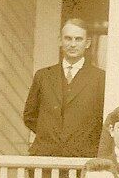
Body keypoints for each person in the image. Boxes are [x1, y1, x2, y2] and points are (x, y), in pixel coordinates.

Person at [23, 18, 105, 158]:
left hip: (82, 157)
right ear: (60, 41)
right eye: (68, 38)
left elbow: (102, 120)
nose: (73, 44)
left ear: (87, 43)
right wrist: (50, 136)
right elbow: (30, 116)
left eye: (78, 39)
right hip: (45, 156)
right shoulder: (43, 76)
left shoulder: (100, 78)